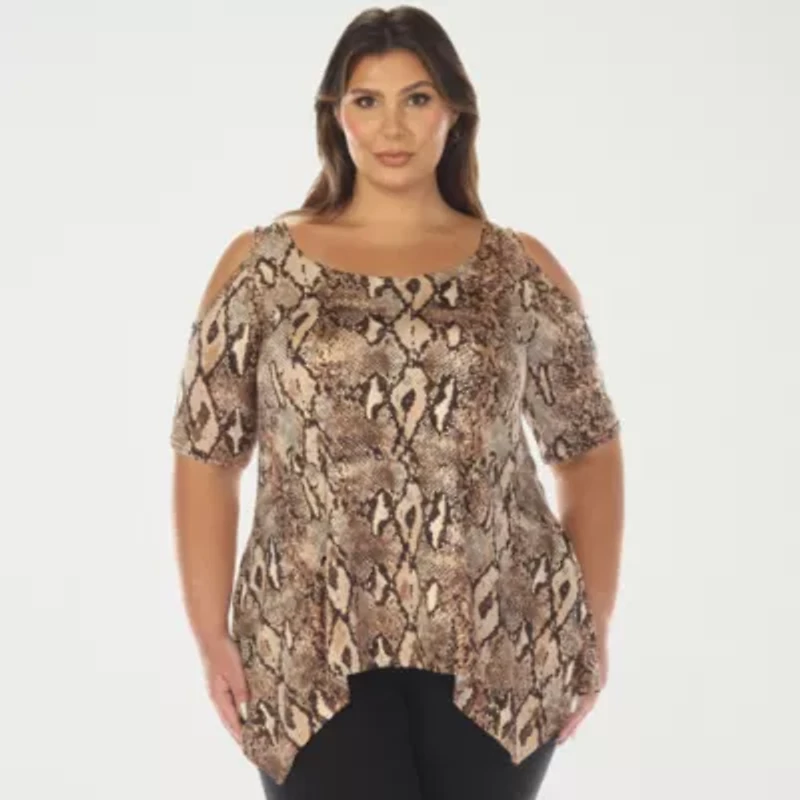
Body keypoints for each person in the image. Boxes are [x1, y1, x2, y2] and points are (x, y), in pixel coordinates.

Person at [169, 5, 624, 799]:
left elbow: (587, 450)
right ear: (335, 115)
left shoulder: (518, 270)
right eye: (366, 100)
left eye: (417, 98)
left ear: (455, 111)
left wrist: (592, 625)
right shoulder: (261, 269)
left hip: (504, 649)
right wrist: (210, 637)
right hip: (306, 650)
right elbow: (207, 457)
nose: (392, 126)